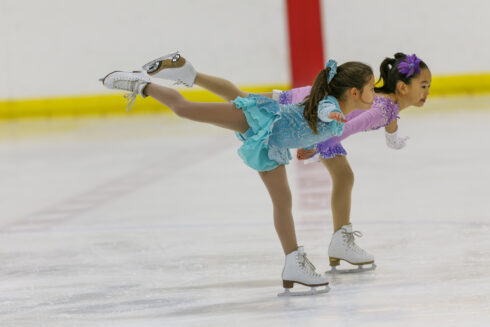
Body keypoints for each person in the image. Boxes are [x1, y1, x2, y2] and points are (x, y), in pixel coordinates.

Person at [100, 55, 375, 295]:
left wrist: (308, 148)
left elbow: (310, 128)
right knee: (187, 109)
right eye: (371, 88)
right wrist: (334, 116)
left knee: (283, 202)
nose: (375, 93)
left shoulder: (336, 116)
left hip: (272, 144)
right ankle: (141, 84)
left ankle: (293, 261)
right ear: (353, 92)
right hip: (262, 121)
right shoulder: (331, 107)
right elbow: (326, 112)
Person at [143, 52, 431, 273]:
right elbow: (347, 129)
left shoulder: (386, 105)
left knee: (242, 99)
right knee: (242, 101)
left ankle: (190, 74)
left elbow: (385, 121)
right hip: (306, 117)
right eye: (423, 85)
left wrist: (393, 139)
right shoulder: (382, 108)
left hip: (307, 105)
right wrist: (315, 146)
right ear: (403, 87)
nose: (427, 91)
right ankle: (340, 241)